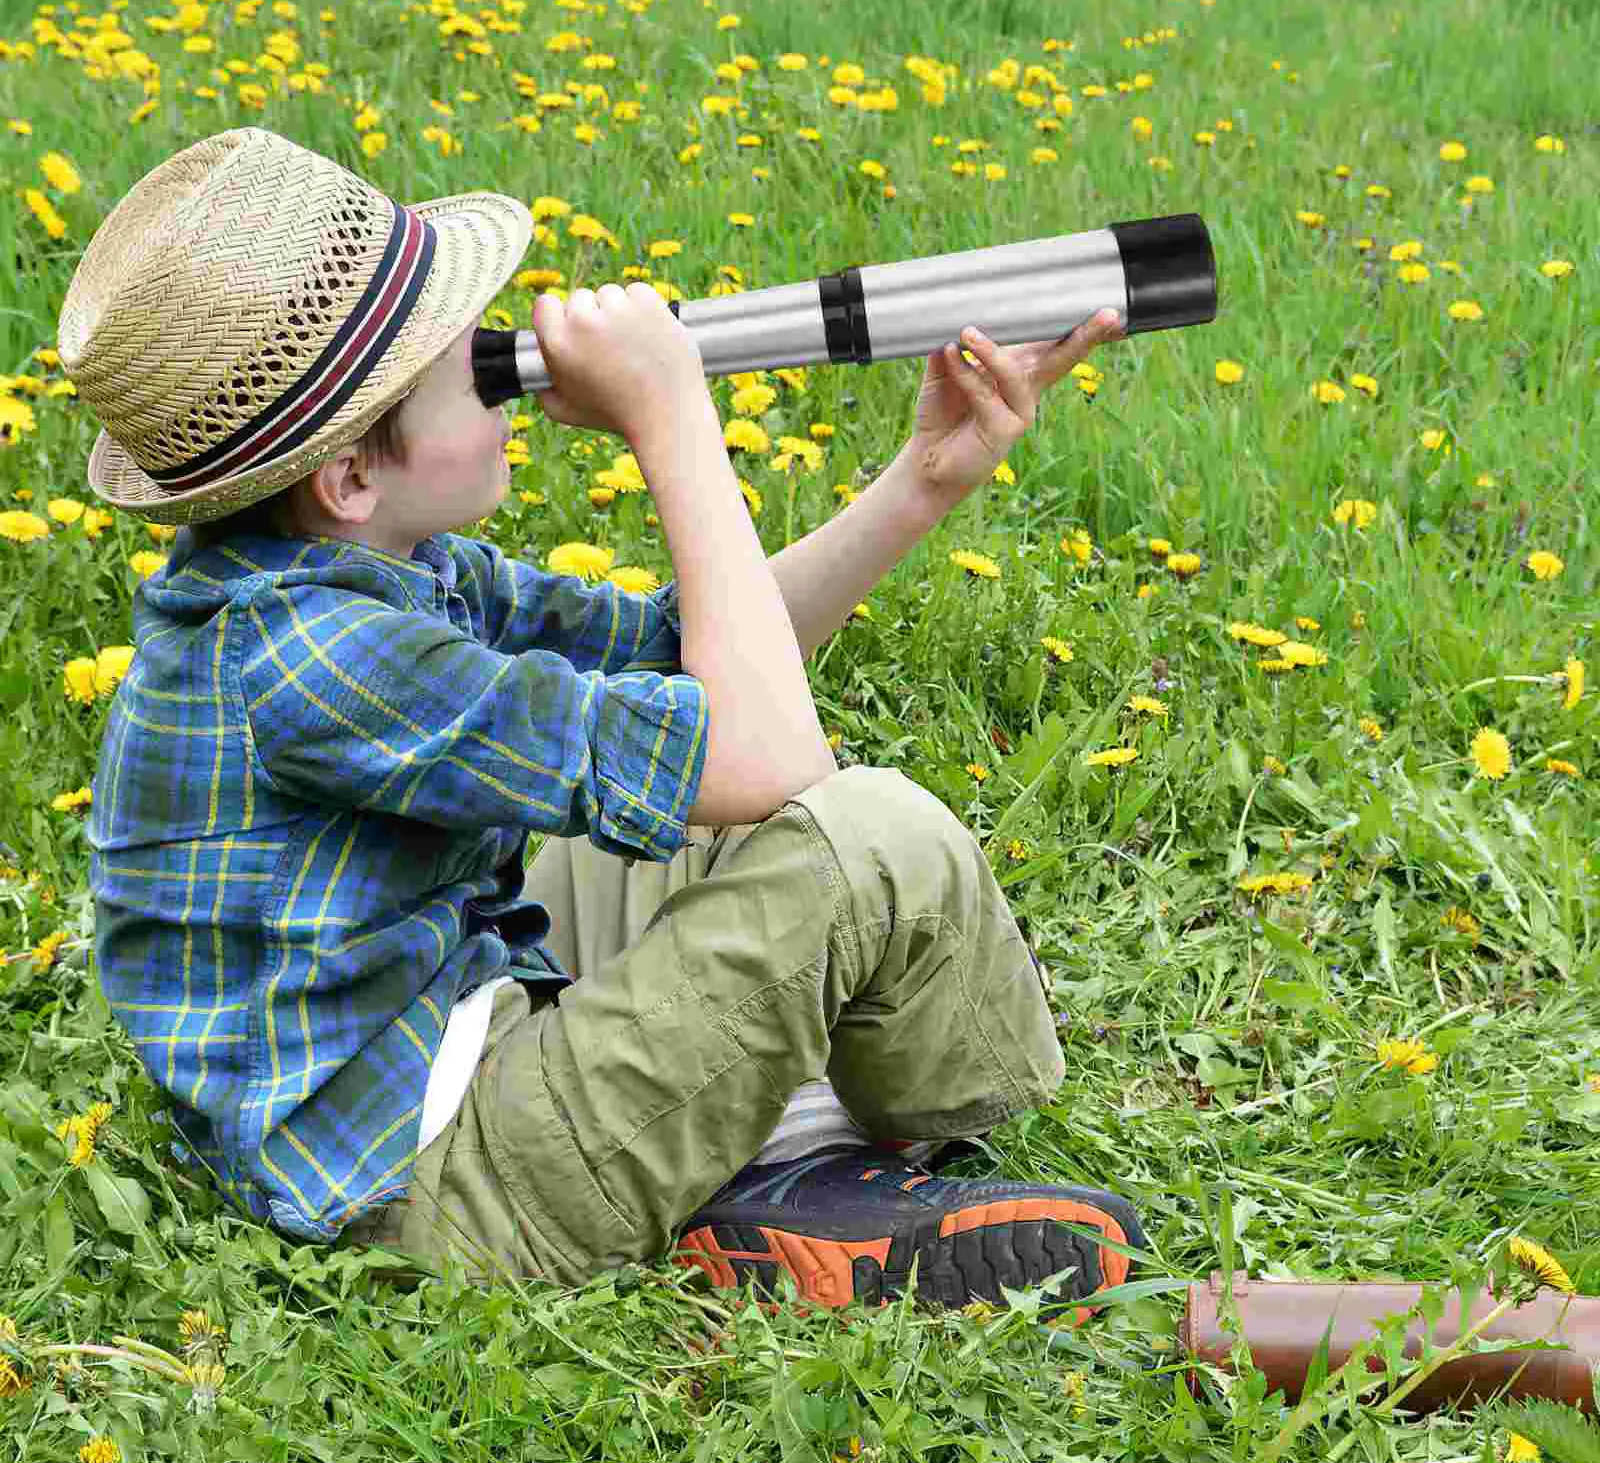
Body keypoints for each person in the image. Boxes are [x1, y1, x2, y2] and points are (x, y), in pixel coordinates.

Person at [65, 125, 1146, 1315]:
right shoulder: (311, 652)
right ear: (350, 478)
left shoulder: (359, 571)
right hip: (427, 1191)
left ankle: (777, 1164)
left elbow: (698, 656)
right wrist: (670, 420)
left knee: (697, 816)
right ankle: (827, 1174)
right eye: (467, 368)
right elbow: (765, 752)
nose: (507, 377)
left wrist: (925, 478)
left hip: (447, 1027)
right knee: (873, 840)